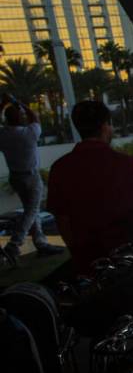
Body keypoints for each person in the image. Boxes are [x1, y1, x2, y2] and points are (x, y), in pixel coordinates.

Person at [46, 100, 133, 274]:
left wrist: (78, 254)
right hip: (130, 263)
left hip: (89, 265)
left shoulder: (59, 169)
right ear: (105, 126)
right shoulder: (127, 164)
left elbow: (62, 220)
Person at [0, 92, 62, 263]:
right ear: (20, 118)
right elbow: (34, 116)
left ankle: (40, 243)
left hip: (16, 177)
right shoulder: (29, 133)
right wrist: (19, 102)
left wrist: (3, 104)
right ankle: (14, 244)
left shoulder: (3, 135)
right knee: (32, 210)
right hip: (31, 177)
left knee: (31, 210)